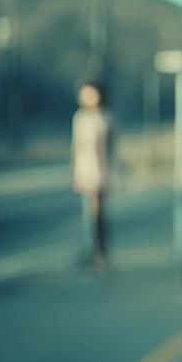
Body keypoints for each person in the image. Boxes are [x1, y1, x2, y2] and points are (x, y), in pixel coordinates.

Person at [71, 79, 114, 273]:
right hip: (86, 170)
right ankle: (92, 251)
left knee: (97, 214)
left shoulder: (105, 118)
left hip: (101, 170)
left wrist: (114, 172)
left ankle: (100, 252)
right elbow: (77, 148)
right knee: (88, 213)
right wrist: (77, 173)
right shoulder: (80, 118)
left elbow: (113, 148)